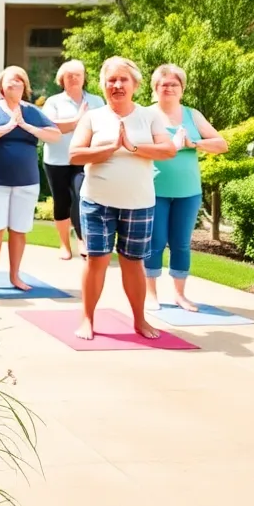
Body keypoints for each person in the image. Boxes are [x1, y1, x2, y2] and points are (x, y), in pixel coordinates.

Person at [69, 56, 176, 340]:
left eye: (123, 80)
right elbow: (74, 154)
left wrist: (133, 146)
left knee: (133, 262)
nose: (116, 85)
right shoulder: (93, 117)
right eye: (111, 80)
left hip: (138, 202)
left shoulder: (150, 116)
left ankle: (140, 320)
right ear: (103, 85)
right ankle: (87, 319)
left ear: (136, 85)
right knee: (97, 260)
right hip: (97, 201)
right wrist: (108, 149)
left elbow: (168, 150)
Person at [146, 64, 227, 311]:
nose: (168, 88)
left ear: (181, 89)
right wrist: (166, 146)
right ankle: (150, 295)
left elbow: (221, 144)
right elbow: (136, 148)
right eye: (163, 84)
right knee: (155, 242)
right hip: (154, 190)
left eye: (174, 84)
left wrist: (194, 143)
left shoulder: (193, 115)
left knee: (181, 243)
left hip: (188, 192)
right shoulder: (146, 115)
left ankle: (180, 296)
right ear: (155, 88)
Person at [0, 66, 61, 290]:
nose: (15, 84)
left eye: (19, 80)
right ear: (1, 87)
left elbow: (55, 135)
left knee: (19, 230)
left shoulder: (31, 111)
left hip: (26, 181)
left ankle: (15, 276)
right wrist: (8, 127)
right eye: (10, 81)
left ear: (25, 86)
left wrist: (26, 126)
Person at [42, 60, 105, 260]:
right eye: (69, 75)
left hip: (84, 157)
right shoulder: (53, 102)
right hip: (57, 159)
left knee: (81, 195)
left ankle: (82, 240)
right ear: (62, 80)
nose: (74, 78)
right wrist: (78, 120)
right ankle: (64, 244)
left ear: (84, 77)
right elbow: (52, 127)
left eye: (78, 74)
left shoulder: (96, 101)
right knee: (62, 201)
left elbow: (103, 125)